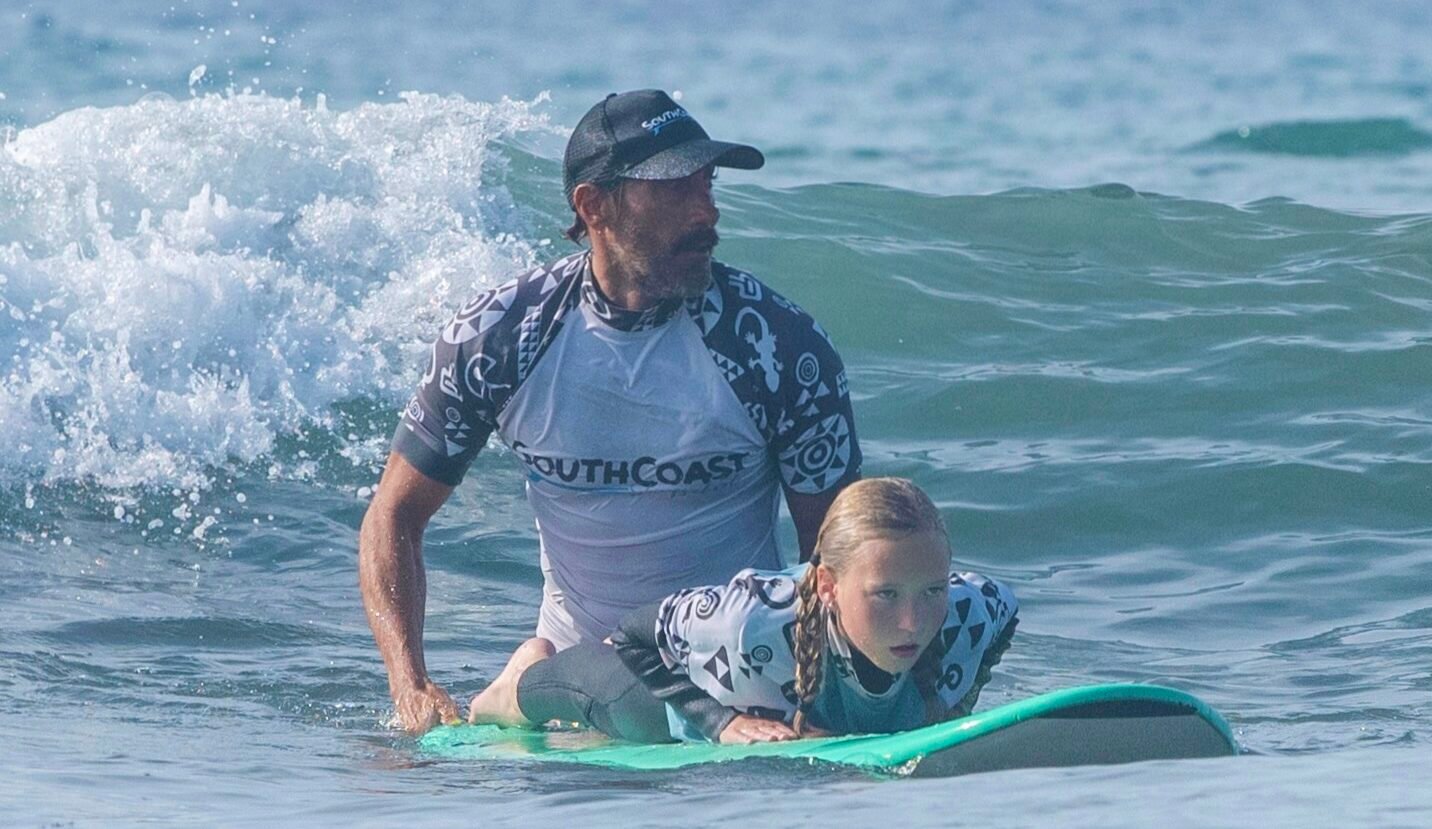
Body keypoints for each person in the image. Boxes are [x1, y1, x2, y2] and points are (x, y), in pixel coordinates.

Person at [360, 89, 862, 733]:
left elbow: (840, 558)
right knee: (619, 692)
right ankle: (528, 687)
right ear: (593, 206)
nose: (707, 211)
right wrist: (411, 683)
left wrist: (830, 700)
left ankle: (531, 687)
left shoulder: (775, 346)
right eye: (676, 190)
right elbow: (393, 515)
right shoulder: (504, 338)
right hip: (581, 681)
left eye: (708, 186)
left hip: (738, 665)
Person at [467, 478, 1019, 744]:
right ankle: (518, 678)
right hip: (669, 689)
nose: (913, 621)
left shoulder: (969, 612)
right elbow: (634, 634)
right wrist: (721, 721)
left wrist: (952, 704)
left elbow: (1005, 614)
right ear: (826, 585)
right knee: (569, 698)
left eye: (930, 590)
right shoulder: (748, 619)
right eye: (886, 594)